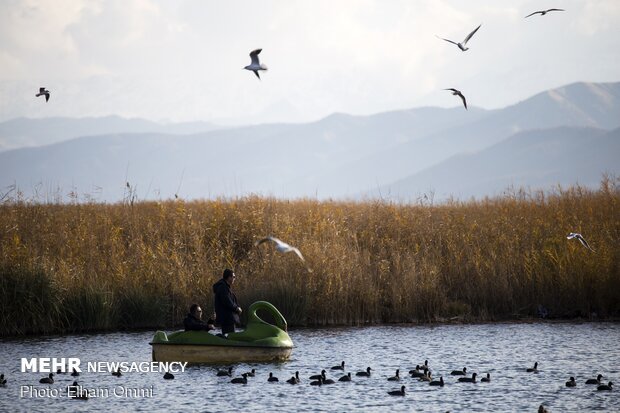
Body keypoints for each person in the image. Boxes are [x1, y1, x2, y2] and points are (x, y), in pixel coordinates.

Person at [213, 269, 242, 334]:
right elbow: (227, 301)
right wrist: (236, 308)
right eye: (233, 277)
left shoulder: (225, 287)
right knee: (230, 338)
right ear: (229, 277)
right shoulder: (223, 287)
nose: (235, 279)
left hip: (227, 318)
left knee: (229, 337)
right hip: (227, 318)